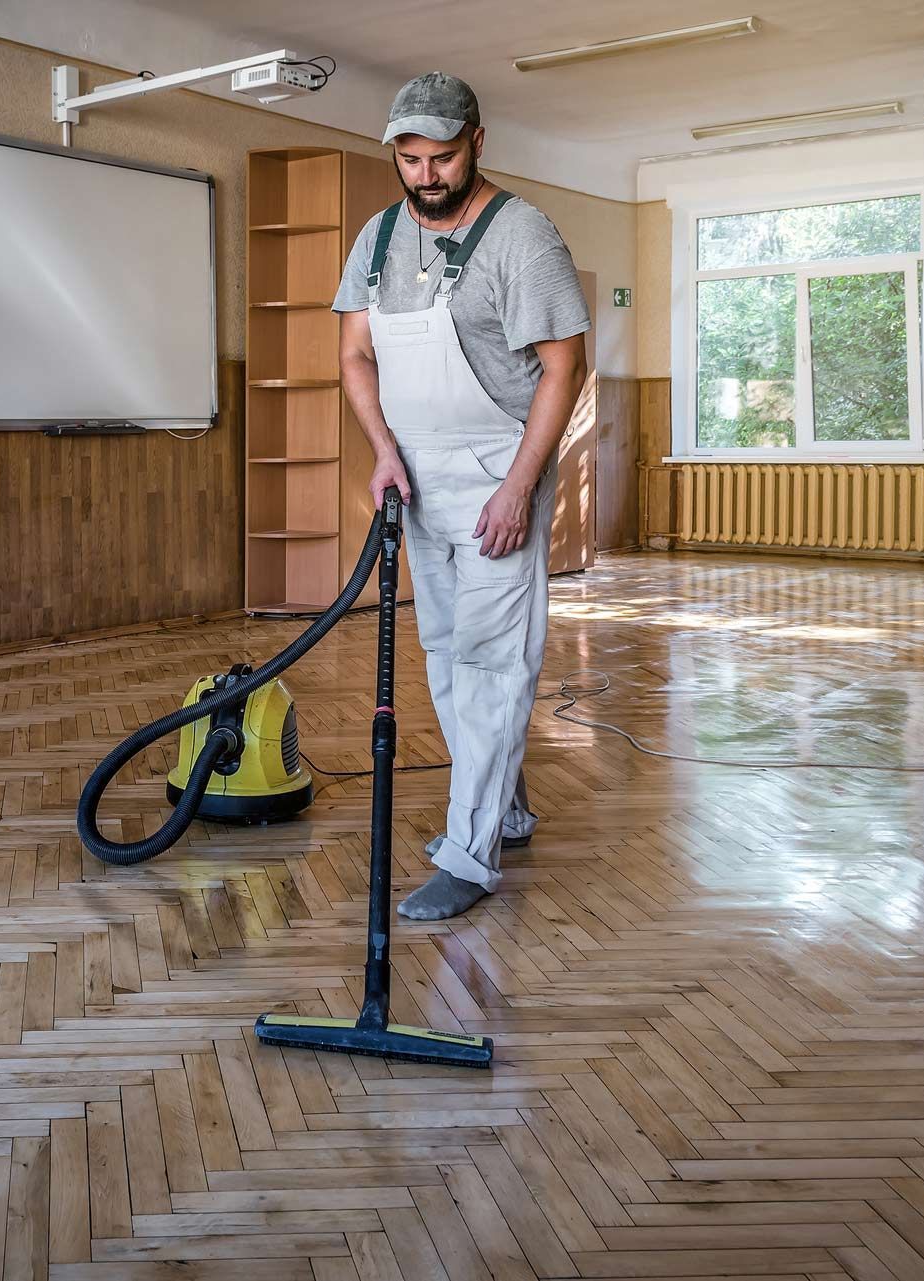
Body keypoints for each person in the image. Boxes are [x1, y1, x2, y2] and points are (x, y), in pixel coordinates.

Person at [332, 72, 590, 922]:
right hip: (415, 476)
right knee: (448, 657)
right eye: (410, 160)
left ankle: (470, 857)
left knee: (491, 663)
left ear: (478, 142)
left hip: (496, 471)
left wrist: (521, 484)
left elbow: (564, 368)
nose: (427, 176)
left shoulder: (523, 237)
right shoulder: (375, 241)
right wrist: (381, 452)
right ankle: (504, 809)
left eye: (443, 157)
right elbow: (357, 358)